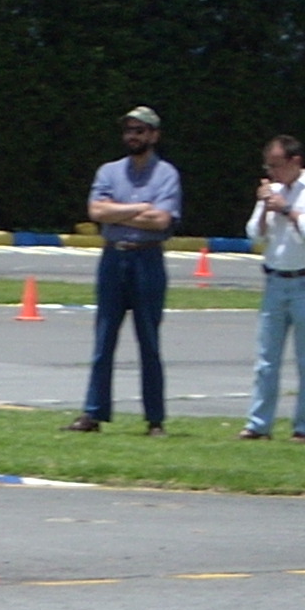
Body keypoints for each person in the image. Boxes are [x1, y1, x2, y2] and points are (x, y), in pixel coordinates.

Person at [66, 105, 182, 436]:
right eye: (129, 130)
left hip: (147, 259)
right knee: (104, 339)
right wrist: (139, 208)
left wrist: (117, 212)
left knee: (149, 342)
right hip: (113, 259)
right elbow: (96, 211)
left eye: (140, 130)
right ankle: (93, 413)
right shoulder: (109, 171)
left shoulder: (167, 175)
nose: (133, 136)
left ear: (154, 136)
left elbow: (161, 220)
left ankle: (155, 419)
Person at [242, 135, 305, 442]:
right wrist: (265, 207)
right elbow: (255, 234)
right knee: (266, 360)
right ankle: (258, 424)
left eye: (276, 165)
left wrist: (286, 209)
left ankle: (303, 428)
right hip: (275, 281)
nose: (272, 172)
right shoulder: (273, 191)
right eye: (268, 167)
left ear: (295, 161)